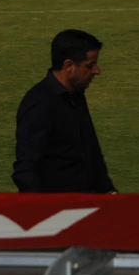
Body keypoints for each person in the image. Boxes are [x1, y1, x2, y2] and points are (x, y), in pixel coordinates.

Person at [12, 30, 117, 194]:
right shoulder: (39, 104)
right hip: (61, 209)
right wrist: (44, 210)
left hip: (89, 203)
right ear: (68, 66)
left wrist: (109, 191)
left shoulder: (76, 94)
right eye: (90, 65)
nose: (97, 71)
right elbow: (26, 169)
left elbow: (91, 152)